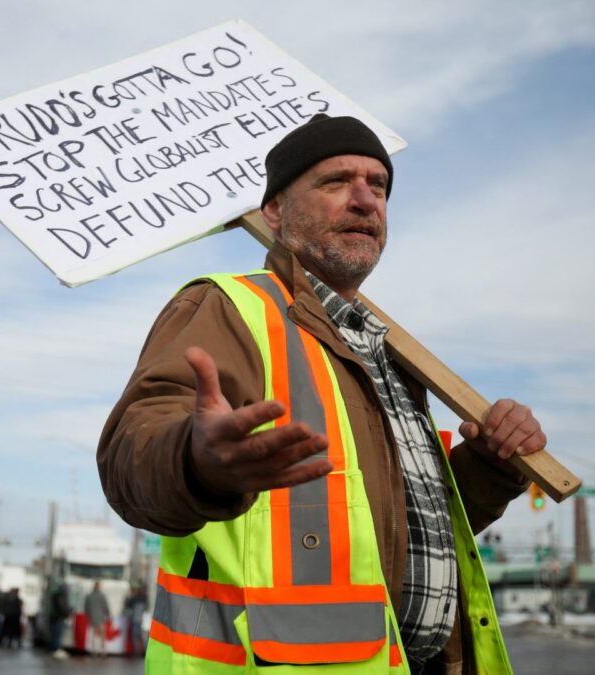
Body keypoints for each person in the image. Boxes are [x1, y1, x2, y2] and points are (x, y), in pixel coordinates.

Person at [99, 113, 548, 674]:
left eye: (377, 185)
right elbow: (128, 458)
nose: (365, 200)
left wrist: (490, 466)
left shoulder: (392, 355)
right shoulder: (228, 310)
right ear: (275, 210)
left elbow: (390, 529)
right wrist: (195, 462)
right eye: (335, 182)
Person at [83, 581, 111, 658]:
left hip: (92, 618)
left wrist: (88, 616)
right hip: (101, 618)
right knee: (102, 636)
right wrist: (108, 616)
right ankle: (103, 652)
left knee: (93, 635)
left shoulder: (89, 596)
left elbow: (86, 608)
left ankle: (93, 651)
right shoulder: (102, 596)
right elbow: (106, 608)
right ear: (99, 587)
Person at [47, 580, 71, 658]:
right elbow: (62, 608)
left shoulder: (56, 595)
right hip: (58, 617)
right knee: (58, 635)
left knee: (55, 635)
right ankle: (57, 650)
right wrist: (68, 612)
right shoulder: (61, 596)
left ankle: (54, 649)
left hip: (55, 618)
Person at [123, 583, 147, 658]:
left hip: (136, 620)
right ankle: (143, 650)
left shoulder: (134, 599)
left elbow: (128, 605)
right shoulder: (143, 599)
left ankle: (136, 651)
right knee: (140, 636)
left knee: (134, 636)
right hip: (141, 620)